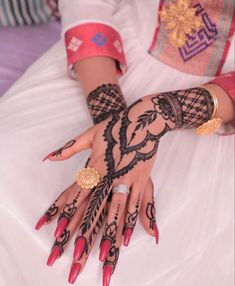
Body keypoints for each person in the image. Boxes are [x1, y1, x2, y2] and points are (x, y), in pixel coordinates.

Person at [0, 1, 234, 286]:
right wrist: (120, 130)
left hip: (219, 106)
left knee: (141, 260)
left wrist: (164, 111)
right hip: (106, 56)